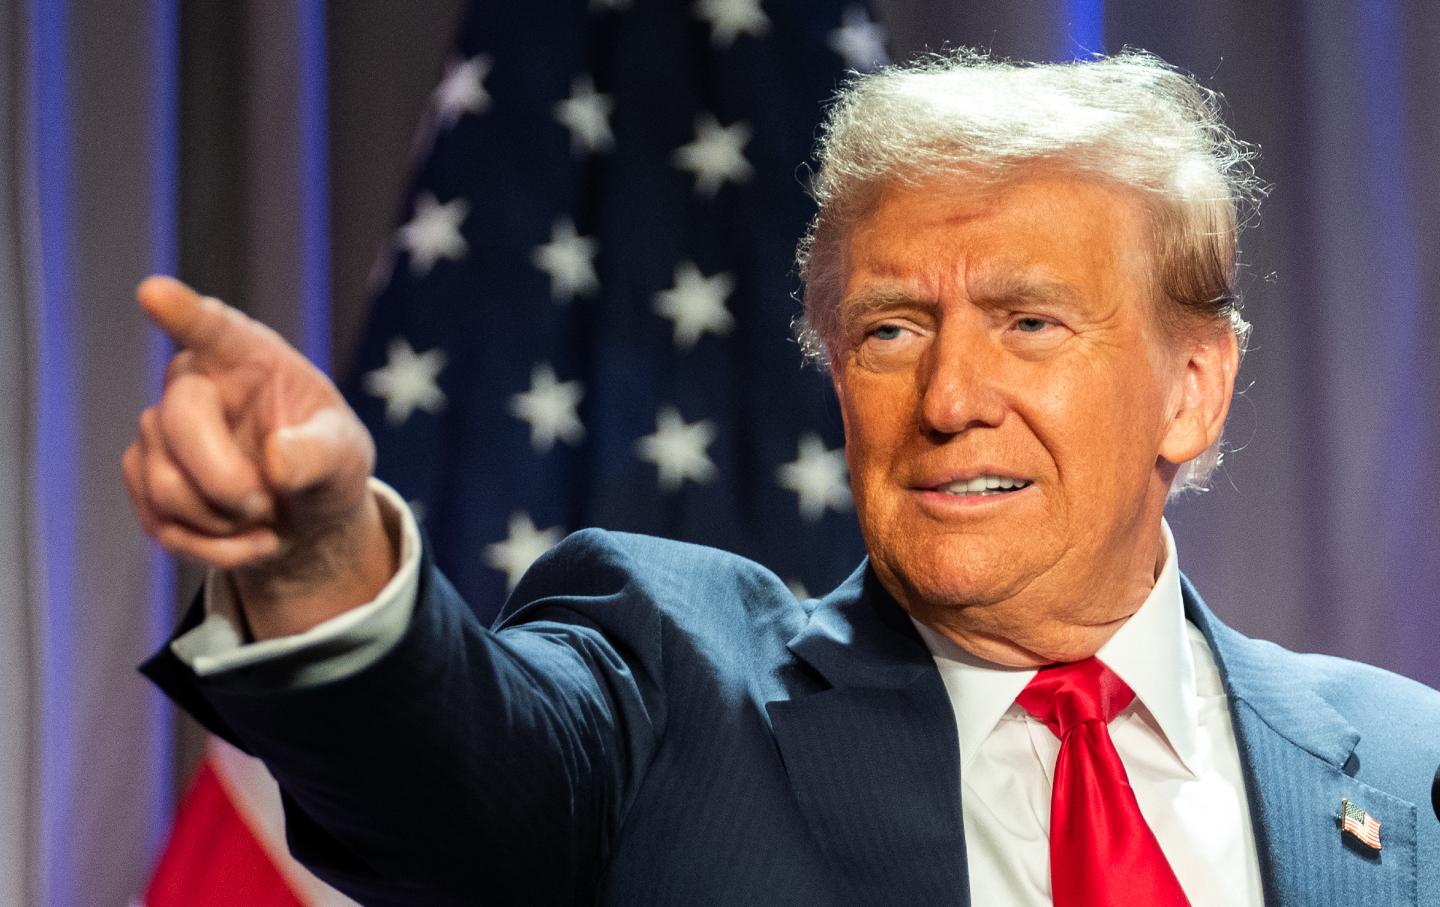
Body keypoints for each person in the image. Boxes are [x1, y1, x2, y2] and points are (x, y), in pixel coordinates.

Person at [132, 51, 1440, 905]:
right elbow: (459, 767)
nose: (947, 399)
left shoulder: (1404, 768)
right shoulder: (672, 693)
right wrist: (318, 559)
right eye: (889, 331)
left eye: (1030, 323)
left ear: (1191, 391)